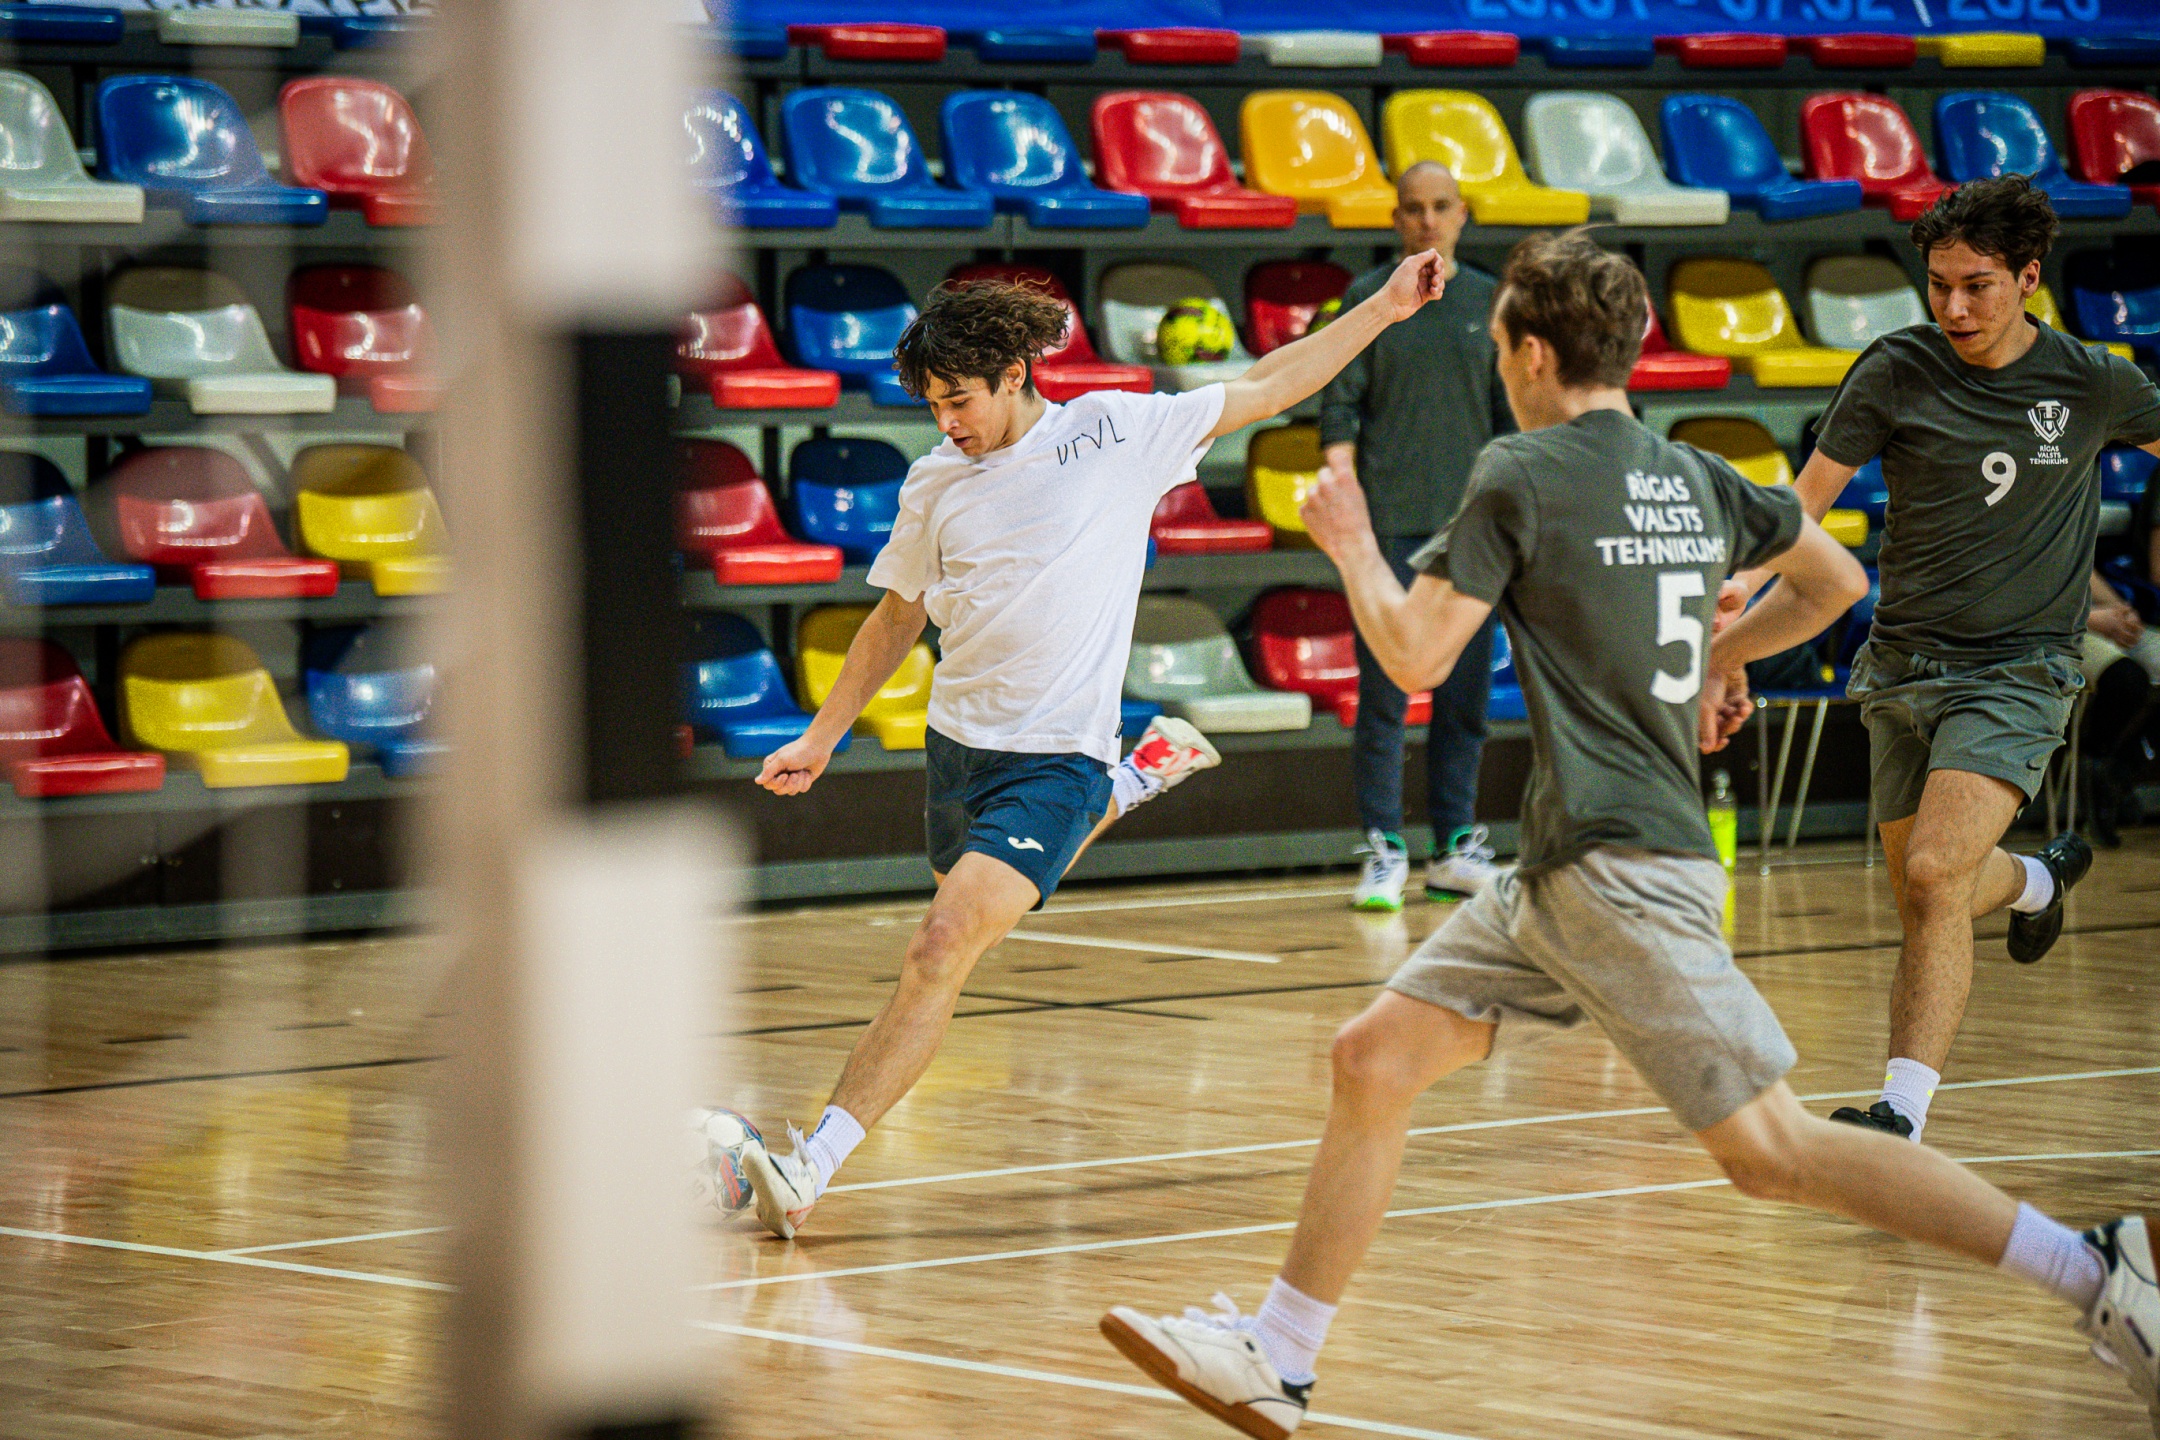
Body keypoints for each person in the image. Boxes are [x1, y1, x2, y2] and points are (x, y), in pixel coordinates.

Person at [1097, 230, 2159, 1440]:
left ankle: (2097, 1270)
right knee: (1373, 1057)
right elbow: (1835, 585)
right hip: (1564, 863)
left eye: (1501, 348)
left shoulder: (1519, 470)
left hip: (1620, 869)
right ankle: (1279, 1354)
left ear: (1530, 354)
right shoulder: (1691, 471)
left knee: (1772, 1153)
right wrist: (1718, 652)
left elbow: (1415, 655)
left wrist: (1347, 543)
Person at [716, 257, 1452, 1240]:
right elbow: (895, 617)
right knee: (967, 922)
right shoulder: (935, 482)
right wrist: (821, 735)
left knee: (939, 947)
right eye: (932, 404)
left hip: (1056, 754)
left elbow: (1273, 383)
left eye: (959, 399)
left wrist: (1387, 308)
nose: (946, 421)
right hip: (959, 751)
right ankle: (1134, 778)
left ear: (1015, 374)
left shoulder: (1114, 432)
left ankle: (812, 1165)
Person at [1718, 175, 2160, 1142]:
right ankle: (2036, 881)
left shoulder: (2091, 381)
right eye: (1939, 285)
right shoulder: (1895, 368)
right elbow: (1803, 505)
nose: (1954, 307)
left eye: (1977, 286)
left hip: (2020, 670)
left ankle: (1901, 1116)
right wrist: (1743, 587)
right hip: (1903, 665)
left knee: (1931, 874)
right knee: (1933, 889)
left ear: (2029, 279)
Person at [1319, 161, 1516, 911]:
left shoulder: (1491, 301)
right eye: (1413, 208)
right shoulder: (1369, 297)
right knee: (1384, 696)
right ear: (1396, 218)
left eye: (1440, 206)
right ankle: (1383, 849)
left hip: (1472, 532)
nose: (1427, 220)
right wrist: (1349, 508)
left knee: (1466, 696)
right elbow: (1339, 406)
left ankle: (1454, 847)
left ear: (1462, 214)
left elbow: (1509, 419)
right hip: (1390, 526)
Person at [2081, 569, 2160, 846]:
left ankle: (2121, 770)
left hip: (2101, 612)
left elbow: (2083, 565)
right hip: (2057, 627)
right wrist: (2093, 618)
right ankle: (2097, 765)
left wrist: (2120, 611)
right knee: (2127, 680)